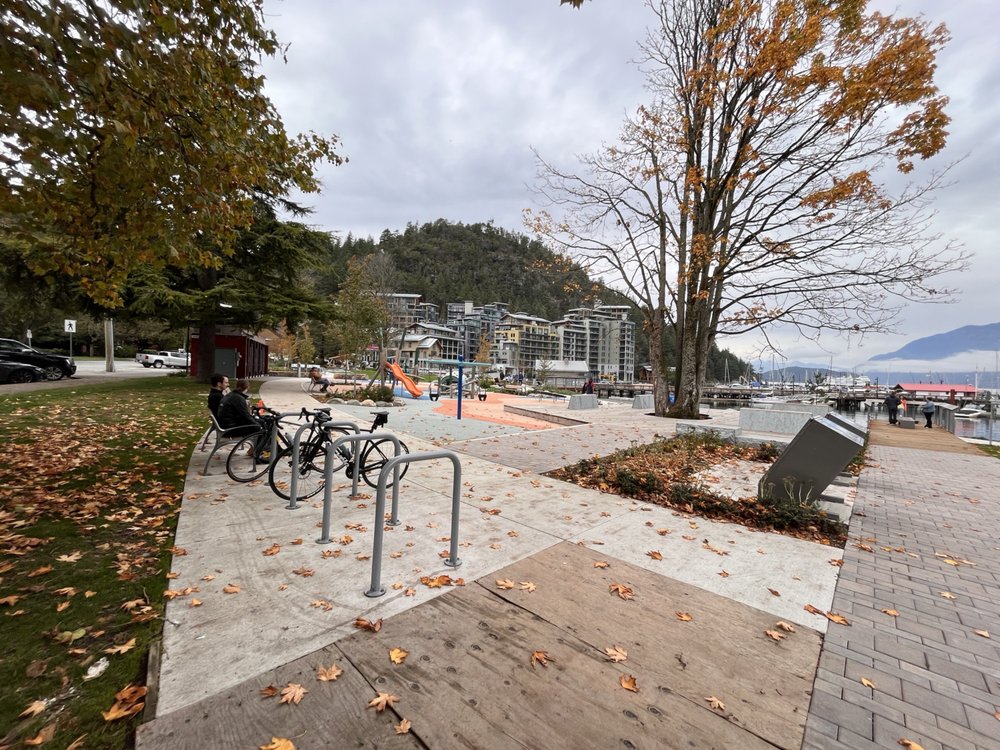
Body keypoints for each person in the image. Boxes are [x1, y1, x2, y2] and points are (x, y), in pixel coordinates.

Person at [217, 379, 268, 458]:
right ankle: (258, 452)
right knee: (263, 427)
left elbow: (243, 415)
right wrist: (257, 424)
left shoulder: (232, 395)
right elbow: (246, 416)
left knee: (261, 423)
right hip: (231, 429)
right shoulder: (238, 398)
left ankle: (257, 449)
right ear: (247, 387)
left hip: (227, 424)